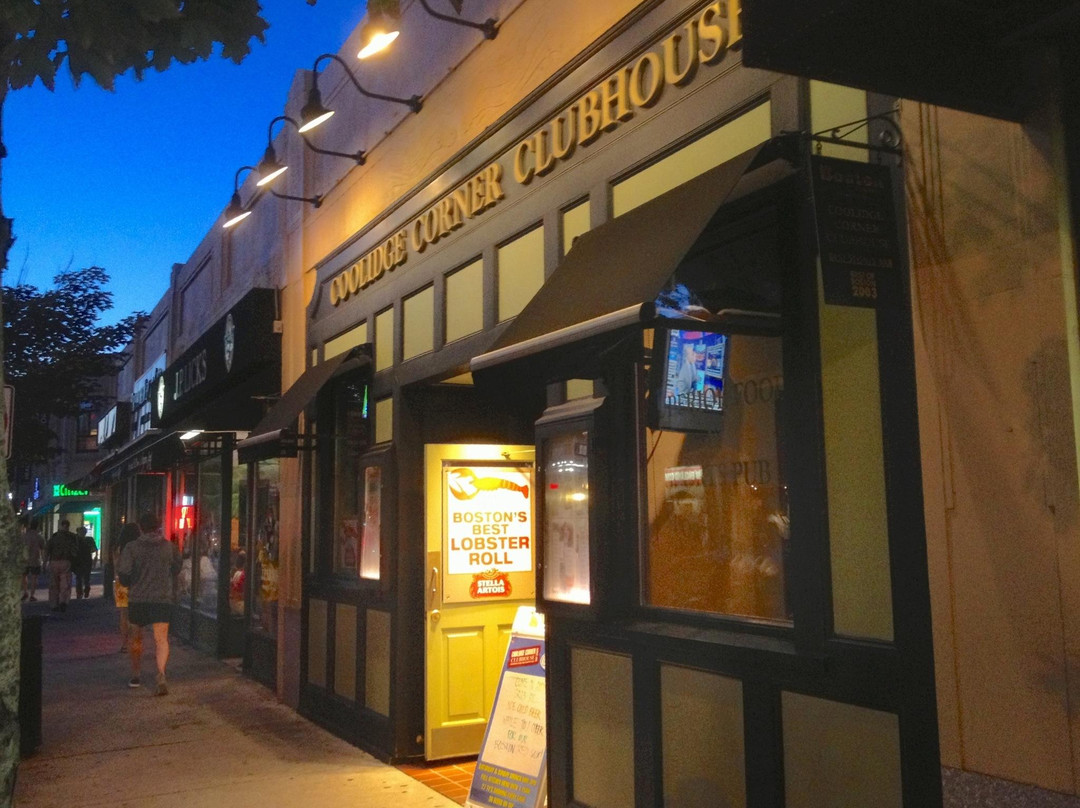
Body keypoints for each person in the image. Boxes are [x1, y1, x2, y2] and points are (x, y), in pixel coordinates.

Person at [117, 512, 181, 695]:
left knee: (136, 638)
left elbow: (124, 574)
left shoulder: (131, 548)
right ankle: (161, 673)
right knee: (161, 639)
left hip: (138, 599)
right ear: (158, 526)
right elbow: (176, 568)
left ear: (141, 528)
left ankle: (136, 674)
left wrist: (133, 582)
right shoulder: (169, 547)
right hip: (161, 598)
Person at [112, 522, 141, 653]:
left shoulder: (118, 549)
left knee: (124, 615)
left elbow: (116, 567)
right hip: (136, 583)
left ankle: (124, 644)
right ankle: (135, 642)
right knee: (136, 615)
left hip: (121, 583)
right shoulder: (138, 548)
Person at [45, 520, 79, 612]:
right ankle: (63, 601)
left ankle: (54, 603)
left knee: (54, 584)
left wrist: (45, 562)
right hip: (66, 561)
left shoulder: (54, 537)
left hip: (54, 561)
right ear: (68, 526)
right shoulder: (72, 537)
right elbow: (75, 551)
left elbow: (47, 549)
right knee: (65, 583)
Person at [20, 518, 45, 602]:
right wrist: (44, 560)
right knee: (34, 577)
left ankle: (25, 592)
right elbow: (43, 549)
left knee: (24, 576)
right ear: (37, 526)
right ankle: (32, 595)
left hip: (25, 559)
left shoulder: (24, 536)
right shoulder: (39, 537)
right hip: (36, 560)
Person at [73, 526, 97, 599]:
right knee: (86, 577)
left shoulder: (76, 540)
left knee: (79, 577)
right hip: (87, 560)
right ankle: (86, 590)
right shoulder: (89, 539)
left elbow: (73, 550)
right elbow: (94, 549)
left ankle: (80, 593)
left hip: (78, 561)